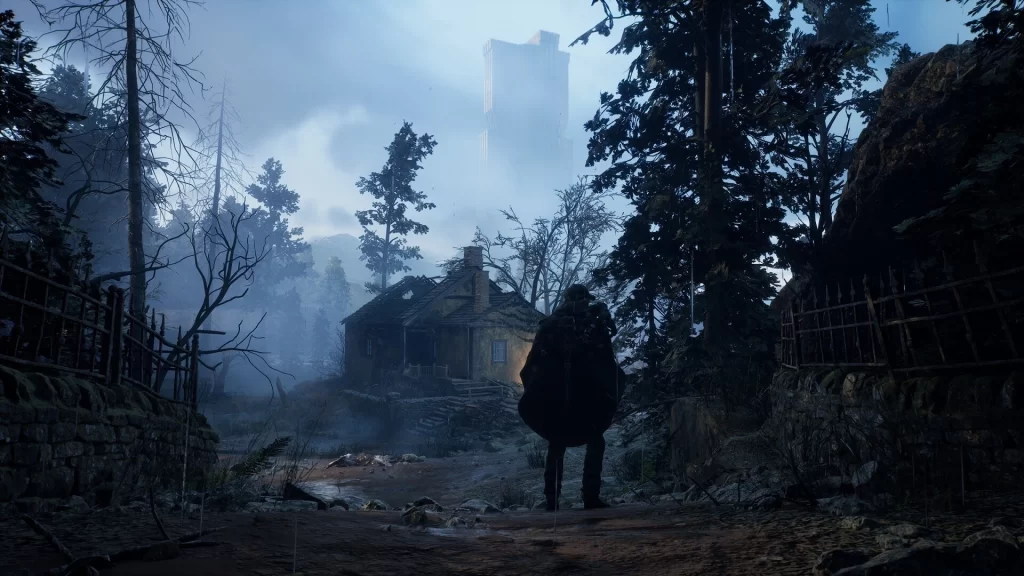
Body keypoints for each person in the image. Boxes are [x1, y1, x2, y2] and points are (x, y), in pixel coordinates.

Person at [518, 284, 624, 511]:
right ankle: (572, 499)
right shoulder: (568, 324)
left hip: (572, 399)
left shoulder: (567, 324)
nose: (583, 303)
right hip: (573, 399)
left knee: (574, 443)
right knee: (577, 442)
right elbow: (535, 365)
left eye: (584, 299)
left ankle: (569, 499)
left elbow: (532, 367)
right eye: (582, 299)